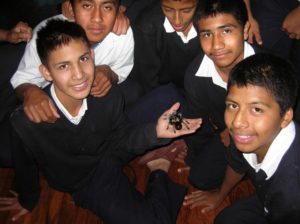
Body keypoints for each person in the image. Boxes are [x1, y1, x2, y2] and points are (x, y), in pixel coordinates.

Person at [1, 19, 202, 223]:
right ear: (46, 72)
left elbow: (122, 137)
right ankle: (159, 168)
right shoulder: (26, 120)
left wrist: (156, 132)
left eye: (83, 59)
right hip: (87, 179)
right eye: (63, 66)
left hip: (111, 146)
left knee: (171, 96)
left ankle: (169, 143)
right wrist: (27, 199)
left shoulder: (106, 94)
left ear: (92, 56)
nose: (79, 75)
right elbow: (24, 165)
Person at [185, 53, 300, 223]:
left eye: (257, 109)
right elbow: (236, 163)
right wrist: (220, 195)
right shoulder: (248, 136)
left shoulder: (291, 193)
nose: (237, 122)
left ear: (285, 117)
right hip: (266, 199)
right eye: (233, 105)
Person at [10, 0, 135, 124]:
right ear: (70, 8)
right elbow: (22, 80)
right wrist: (31, 92)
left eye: (107, 7)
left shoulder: (121, 35)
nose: (97, 18)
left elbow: (120, 71)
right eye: (87, 6)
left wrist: (109, 73)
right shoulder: (46, 37)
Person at [181, 0, 260, 193]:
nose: (216, 45)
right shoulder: (195, 76)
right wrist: (194, 156)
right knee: (199, 177)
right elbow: (197, 120)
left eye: (226, 31)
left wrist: (234, 130)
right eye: (207, 34)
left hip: (263, 134)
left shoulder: (267, 71)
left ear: (246, 28)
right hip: (224, 132)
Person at [126, 0, 200, 123]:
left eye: (186, 10)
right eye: (168, 9)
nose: (177, 20)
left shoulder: (210, 19)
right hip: (163, 90)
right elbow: (148, 79)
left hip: (198, 88)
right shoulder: (147, 25)